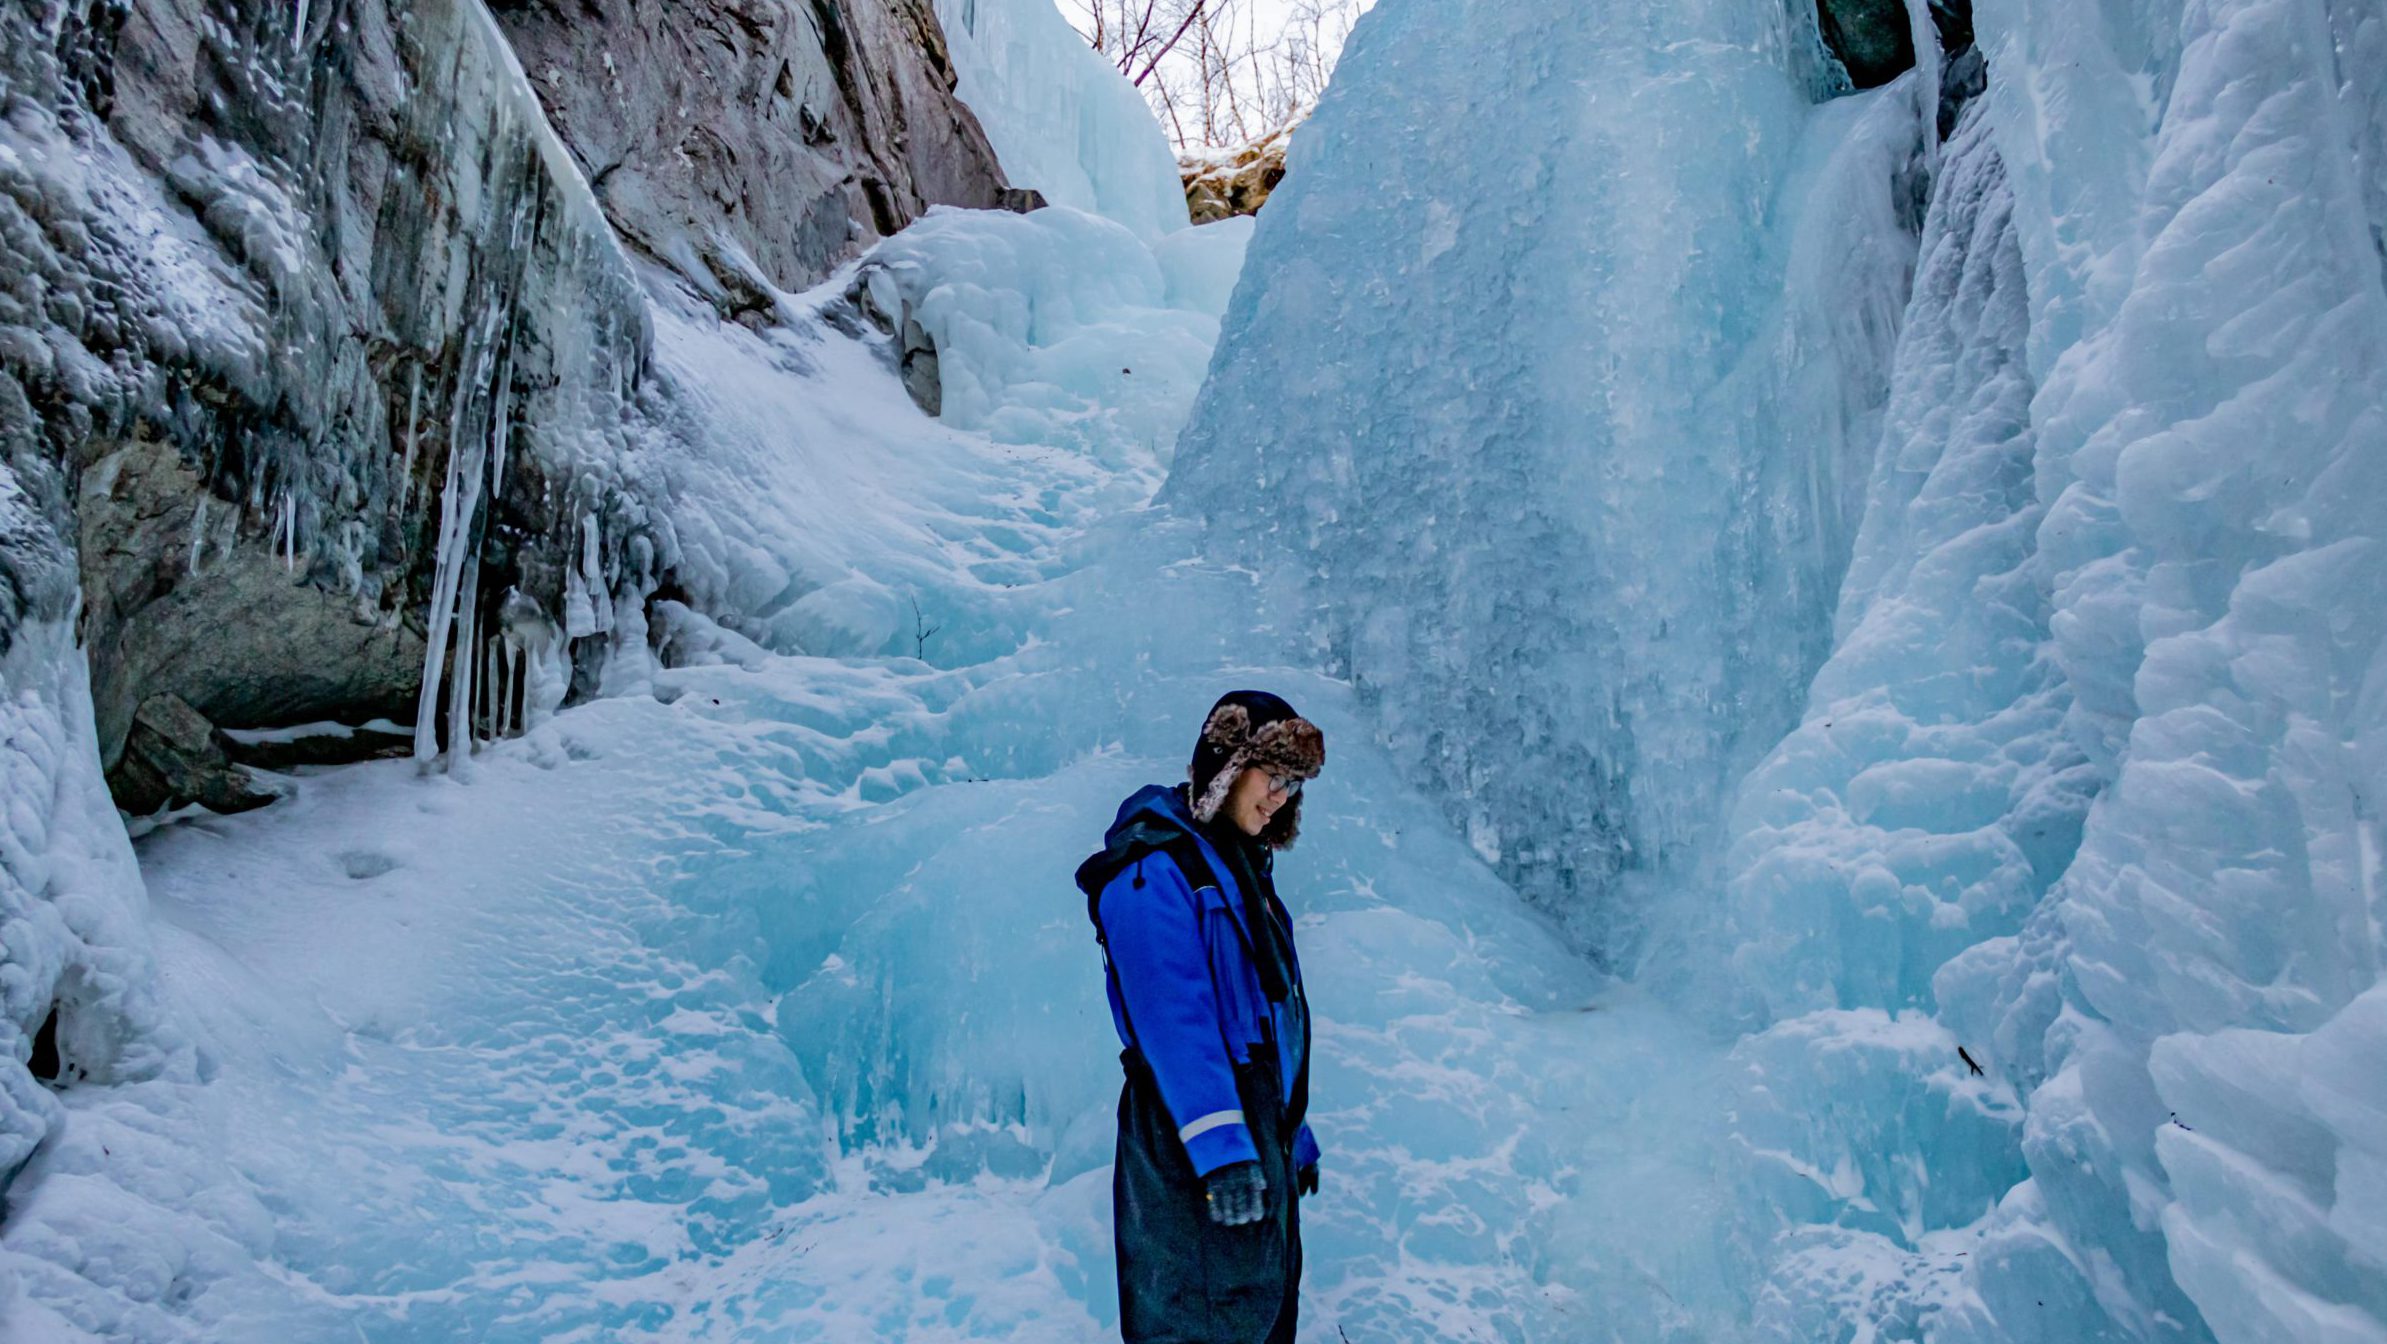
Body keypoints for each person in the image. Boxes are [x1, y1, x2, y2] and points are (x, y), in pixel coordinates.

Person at [1075, 691, 1327, 1343]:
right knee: (1197, 1319)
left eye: (1291, 784)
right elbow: (1173, 1020)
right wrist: (1219, 1146)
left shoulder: (1242, 868)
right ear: (1224, 766)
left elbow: (1272, 1013)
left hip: (1253, 1128)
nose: (1279, 796)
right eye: (1270, 776)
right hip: (1190, 1133)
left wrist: (1291, 1132)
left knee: (1261, 1313)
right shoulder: (1153, 869)